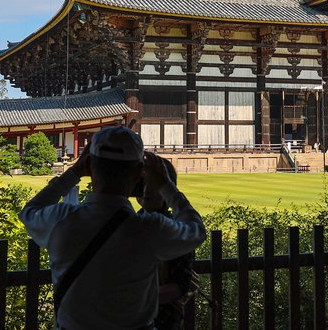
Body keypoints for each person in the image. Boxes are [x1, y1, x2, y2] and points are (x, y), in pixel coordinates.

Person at [19, 125, 206, 330]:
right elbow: (196, 230)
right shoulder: (149, 228)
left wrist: (74, 172)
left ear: (89, 165)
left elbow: (29, 212)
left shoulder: (61, 220)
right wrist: (166, 186)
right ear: (138, 173)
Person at [135, 157, 196, 330]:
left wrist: (132, 298)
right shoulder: (129, 223)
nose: (146, 191)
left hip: (163, 318)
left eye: (153, 184)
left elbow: (179, 285)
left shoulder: (174, 229)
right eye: (142, 183)